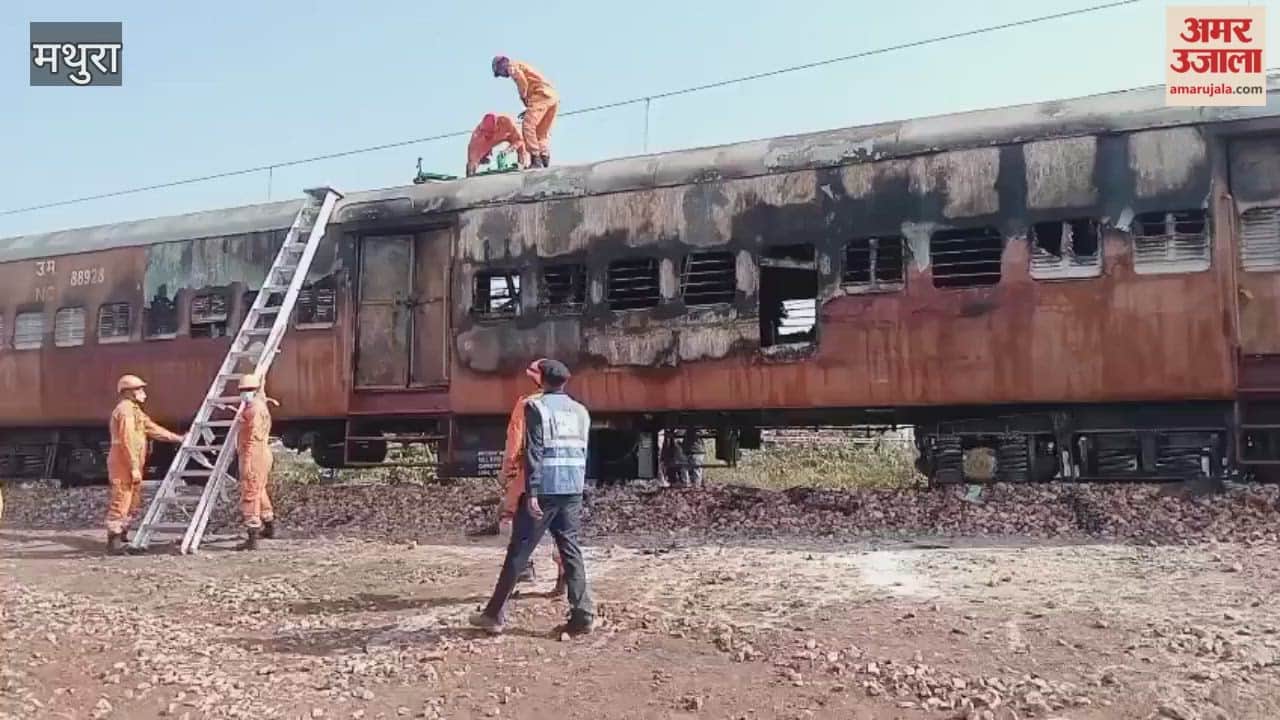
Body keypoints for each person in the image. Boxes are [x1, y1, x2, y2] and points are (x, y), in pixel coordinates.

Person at [470, 359, 593, 636]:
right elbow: (583, 452)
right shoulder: (580, 411)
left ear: (542, 381)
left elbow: (534, 451)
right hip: (572, 488)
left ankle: (494, 615)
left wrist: (532, 492)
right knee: (571, 550)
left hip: (545, 489)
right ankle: (583, 614)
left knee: (519, 550)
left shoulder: (535, 406)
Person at [106, 374, 184, 555]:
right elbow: (127, 440)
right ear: (128, 392)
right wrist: (133, 467)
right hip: (123, 460)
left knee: (132, 499)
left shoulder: (135, 411)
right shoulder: (125, 411)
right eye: (139, 389)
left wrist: (177, 438)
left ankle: (121, 535)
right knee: (122, 498)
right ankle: (114, 541)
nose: (143, 393)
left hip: (130, 459)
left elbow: (152, 428)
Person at [235, 373, 278, 551]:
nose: (245, 393)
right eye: (243, 390)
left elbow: (251, 438)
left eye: (248, 390)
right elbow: (261, 389)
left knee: (250, 492)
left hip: (253, 454)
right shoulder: (260, 403)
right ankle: (269, 525)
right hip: (263, 452)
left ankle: (252, 536)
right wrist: (262, 375)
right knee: (259, 490)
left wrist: (246, 464)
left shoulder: (252, 410)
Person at [491, 56, 558, 169]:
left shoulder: (511, 66)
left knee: (528, 125)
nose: (502, 75)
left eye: (500, 72)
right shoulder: (521, 64)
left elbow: (522, 81)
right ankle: (544, 157)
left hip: (540, 94)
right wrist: (529, 108)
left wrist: (524, 98)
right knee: (541, 131)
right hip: (551, 97)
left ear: (502, 65)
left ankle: (535, 159)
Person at [466, 112, 529, 177]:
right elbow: (472, 158)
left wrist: (508, 150)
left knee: (521, 145)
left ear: (497, 125)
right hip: (487, 143)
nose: (489, 135)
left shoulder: (507, 123)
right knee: (474, 161)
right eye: (487, 134)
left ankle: (523, 163)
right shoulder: (477, 136)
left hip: (507, 135)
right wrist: (471, 171)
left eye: (491, 133)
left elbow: (519, 140)